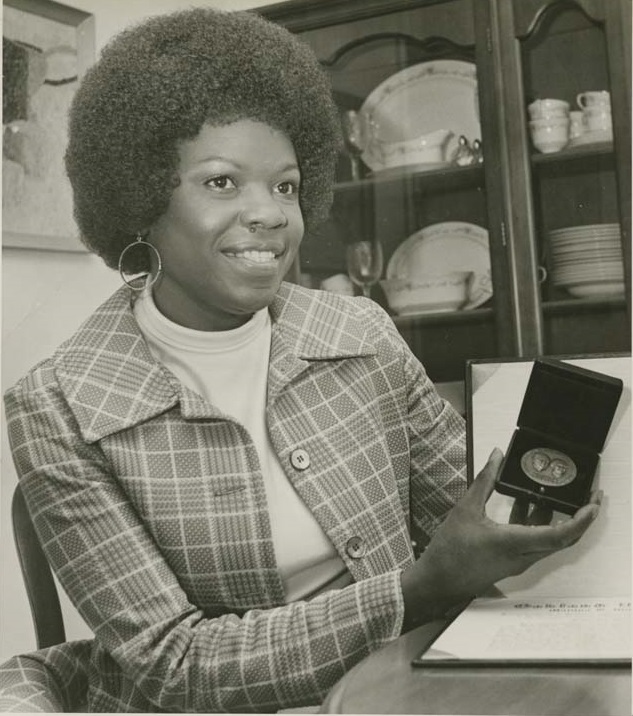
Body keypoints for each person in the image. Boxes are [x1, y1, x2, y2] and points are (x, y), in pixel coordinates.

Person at [2, 7, 600, 713]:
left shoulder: (361, 332)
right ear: (139, 195)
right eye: (222, 182)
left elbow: (471, 515)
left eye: (285, 186)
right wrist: (419, 589)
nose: (271, 214)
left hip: (397, 696)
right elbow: (173, 665)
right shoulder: (60, 405)